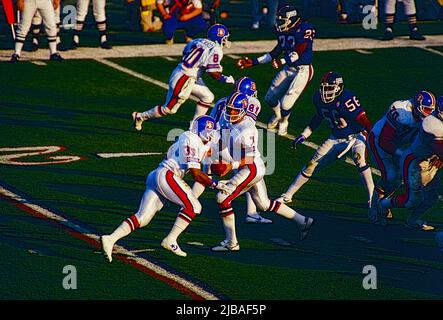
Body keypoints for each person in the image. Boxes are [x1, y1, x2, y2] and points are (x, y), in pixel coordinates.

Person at [101, 115, 234, 260]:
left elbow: (212, 149)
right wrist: (215, 184)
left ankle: (110, 238)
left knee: (143, 218)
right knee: (194, 207)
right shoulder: (190, 139)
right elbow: (196, 174)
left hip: (158, 175)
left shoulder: (197, 140)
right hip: (167, 175)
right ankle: (170, 239)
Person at [210, 92, 314, 252]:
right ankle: (303, 221)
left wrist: (231, 165)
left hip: (251, 168)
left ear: (243, 110)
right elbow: (222, 140)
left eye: (234, 110)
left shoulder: (248, 129)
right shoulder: (228, 120)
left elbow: (250, 158)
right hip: (246, 167)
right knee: (263, 204)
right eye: (229, 109)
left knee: (222, 198)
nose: (230, 113)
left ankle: (232, 242)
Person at [277, 71, 375, 210]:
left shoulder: (347, 99)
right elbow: (318, 117)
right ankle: (287, 195)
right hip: (335, 138)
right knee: (311, 165)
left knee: (359, 160)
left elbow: (363, 119)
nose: (325, 92)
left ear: (338, 88)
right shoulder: (318, 98)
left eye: (329, 89)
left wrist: (373, 136)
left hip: (356, 136)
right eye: (324, 88)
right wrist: (305, 134)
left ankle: (372, 199)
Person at [193, 77, 273, 224]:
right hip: (231, 143)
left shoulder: (222, 101)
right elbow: (245, 123)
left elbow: (211, 121)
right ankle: (251, 212)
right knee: (248, 173)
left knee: (206, 172)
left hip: (215, 139)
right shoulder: (252, 103)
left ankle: (189, 201)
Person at [132, 23, 235, 130]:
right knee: (169, 109)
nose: (225, 41)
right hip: (184, 78)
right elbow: (213, 72)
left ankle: (194, 128)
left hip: (186, 74)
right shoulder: (216, 49)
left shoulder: (197, 40)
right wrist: (225, 79)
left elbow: (185, 52)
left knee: (208, 97)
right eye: (224, 38)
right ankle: (140, 116)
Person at [236, 4, 315, 136]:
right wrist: (254, 62)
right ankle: (278, 115)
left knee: (286, 103)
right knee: (269, 97)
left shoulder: (304, 29)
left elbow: (300, 51)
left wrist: (282, 61)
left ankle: (284, 121)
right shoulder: (284, 32)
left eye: (282, 21)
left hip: (303, 69)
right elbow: (276, 51)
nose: (279, 23)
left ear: (292, 20)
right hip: (289, 68)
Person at [367, 91, 436, 223]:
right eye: (426, 109)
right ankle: (373, 208)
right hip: (378, 141)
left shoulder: (425, 116)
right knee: (390, 176)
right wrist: (401, 153)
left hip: (398, 144)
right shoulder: (402, 113)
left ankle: (383, 203)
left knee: (398, 179)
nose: (428, 113)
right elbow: (384, 140)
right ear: (417, 106)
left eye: (430, 110)